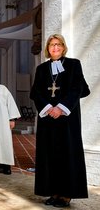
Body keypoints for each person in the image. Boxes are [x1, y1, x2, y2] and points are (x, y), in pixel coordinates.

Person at [30, 34, 90, 208]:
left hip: (67, 119)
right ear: (47, 48)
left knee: (67, 154)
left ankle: (66, 194)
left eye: (58, 44)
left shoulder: (73, 64)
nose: (55, 48)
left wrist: (61, 108)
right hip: (48, 119)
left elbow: (78, 89)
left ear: (63, 47)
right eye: (51, 45)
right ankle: (53, 191)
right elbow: (36, 93)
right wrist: (48, 108)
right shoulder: (42, 69)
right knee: (49, 155)